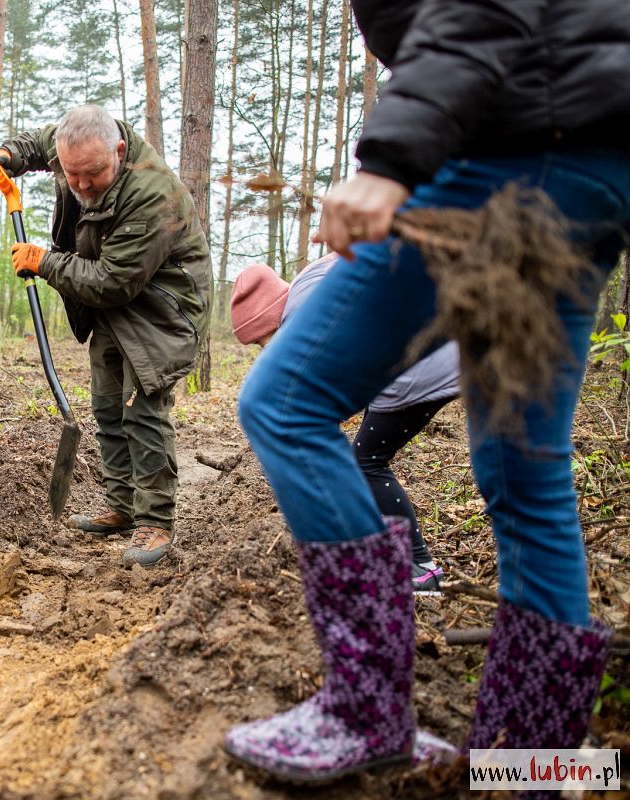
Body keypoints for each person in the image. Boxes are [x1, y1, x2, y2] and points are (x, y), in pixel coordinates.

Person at [222, 0, 629, 785]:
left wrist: (393, 159)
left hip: (505, 152)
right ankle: (530, 765)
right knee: (525, 468)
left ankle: (366, 709)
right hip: (591, 162)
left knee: (284, 403)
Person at [0, 105, 213, 567]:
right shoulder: (77, 144)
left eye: (93, 175)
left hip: (162, 308)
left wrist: (44, 262)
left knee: (142, 409)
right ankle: (121, 505)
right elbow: (42, 141)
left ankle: (155, 521)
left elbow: (113, 280)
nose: (83, 186)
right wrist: (10, 154)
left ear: (119, 151)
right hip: (118, 304)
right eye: (72, 176)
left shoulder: (153, 195)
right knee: (108, 405)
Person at [230, 254, 459, 594]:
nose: (269, 351)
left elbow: (319, 404)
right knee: (365, 456)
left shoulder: (301, 317)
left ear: (273, 323)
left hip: (419, 370)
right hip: (440, 348)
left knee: (367, 460)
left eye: (266, 342)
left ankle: (419, 568)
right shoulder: (311, 280)